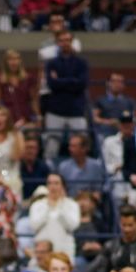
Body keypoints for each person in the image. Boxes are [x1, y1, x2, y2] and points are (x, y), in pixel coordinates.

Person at [43, 30, 90, 163]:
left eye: (68, 40)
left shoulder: (82, 63)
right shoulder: (51, 63)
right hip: (55, 110)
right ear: (57, 43)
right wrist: (71, 81)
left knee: (82, 143)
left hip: (76, 110)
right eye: (62, 40)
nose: (65, 43)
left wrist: (61, 81)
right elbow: (52, 84)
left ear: (72, 42)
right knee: (51, 144)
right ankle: (50, 171)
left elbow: (82, 84)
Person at [29, 174, 80, 258]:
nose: (53, 187)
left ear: (62, 186)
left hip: (64, 250)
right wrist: (47, 207)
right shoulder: (37, 205)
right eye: (50, 183)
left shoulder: (72, 204)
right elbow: (34, 225)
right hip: (43, 251)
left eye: (56, 183)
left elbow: (72, 226)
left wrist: (61, 206)